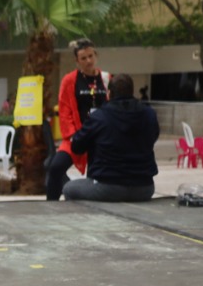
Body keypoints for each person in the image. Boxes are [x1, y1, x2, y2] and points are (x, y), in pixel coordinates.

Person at [63, 74, 158, 203]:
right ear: (132, 92)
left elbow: (77, 147)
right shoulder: (149, 114)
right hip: (145, 188)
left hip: (107, 187)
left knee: (69, 188)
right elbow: (154, 136)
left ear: (109, 93)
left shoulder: (99, 117)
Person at [47, 37, 111, 201]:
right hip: (78, 135)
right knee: (55, 167)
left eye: (91, 56)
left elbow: (113, 107)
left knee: (94, 177)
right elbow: (64, 110)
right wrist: (74, 136)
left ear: (95, 55)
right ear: (77, 61)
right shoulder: (69, 80)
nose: (88, 61)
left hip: (100, 138)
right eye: (83, 58)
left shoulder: (106, 79)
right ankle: (50, 205)